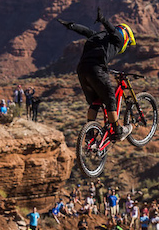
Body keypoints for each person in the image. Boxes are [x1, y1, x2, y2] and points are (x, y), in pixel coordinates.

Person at [57, 9, 137, 141]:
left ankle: (90, 134)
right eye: (128, 43)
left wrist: (71, 25)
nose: (126, 45)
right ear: (126, 36)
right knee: (110, 99)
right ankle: (117, 131)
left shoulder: (98, 36)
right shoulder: (118, 39)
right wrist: (103, 19)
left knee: (95, 102)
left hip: (82, 69)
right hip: (96, 69)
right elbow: (112, 30)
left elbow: (85, 31)